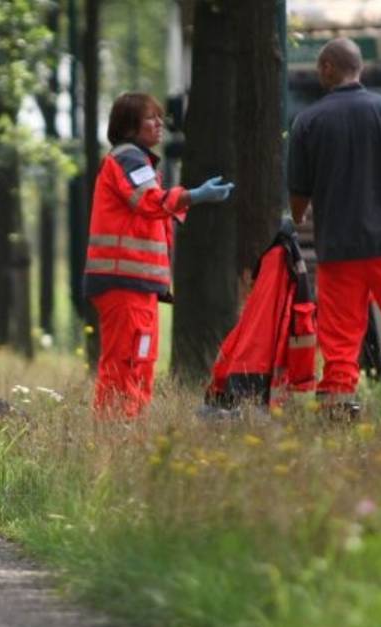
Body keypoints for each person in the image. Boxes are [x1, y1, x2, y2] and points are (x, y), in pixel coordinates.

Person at [85, 92, 235, 418]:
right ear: (129, 125)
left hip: (137, 286)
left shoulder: (137, 161)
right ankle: (114, 434)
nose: (159, 124)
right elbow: (151, 202)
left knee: (139, 362)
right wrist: (194, 196)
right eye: (150, 117)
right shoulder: (128, 158)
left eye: (159, 117)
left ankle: (129, 433)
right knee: (126, 364)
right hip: (123, 283)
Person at [287, 37, 381, 410]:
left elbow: (299, 191)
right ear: (360, 69)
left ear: (327, 69)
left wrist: (299, 216)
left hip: (338, 248)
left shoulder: (307, 122)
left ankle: (338, 411)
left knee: (339, 341)